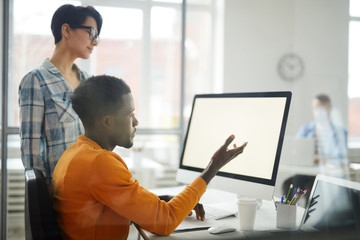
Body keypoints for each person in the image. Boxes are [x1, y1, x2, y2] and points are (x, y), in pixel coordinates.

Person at [52, 75, 248, 239]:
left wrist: (158, 200)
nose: (136, 122)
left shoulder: (74, 153)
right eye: (130, 115)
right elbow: (167, 221)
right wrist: (212, 167)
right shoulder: (100, 163)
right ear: (107, 122)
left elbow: (102, 205)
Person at [18, 4, 102, 185]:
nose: (95, 42)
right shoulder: (36, 80)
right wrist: (41, 204)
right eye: (92, 33)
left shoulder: (88, 81)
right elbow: (31, 156)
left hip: (91, 192)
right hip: (59, 198)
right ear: (66, 30)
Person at [297, 93, 348, 163]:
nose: (319, 112)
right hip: (306, 170)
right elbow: (297, 153)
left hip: (330, 171)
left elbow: (340, 157)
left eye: (322, 109)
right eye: (316, 108)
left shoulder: (341, 132)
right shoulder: (304, 129)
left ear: (330, 108)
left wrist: (318, 159)